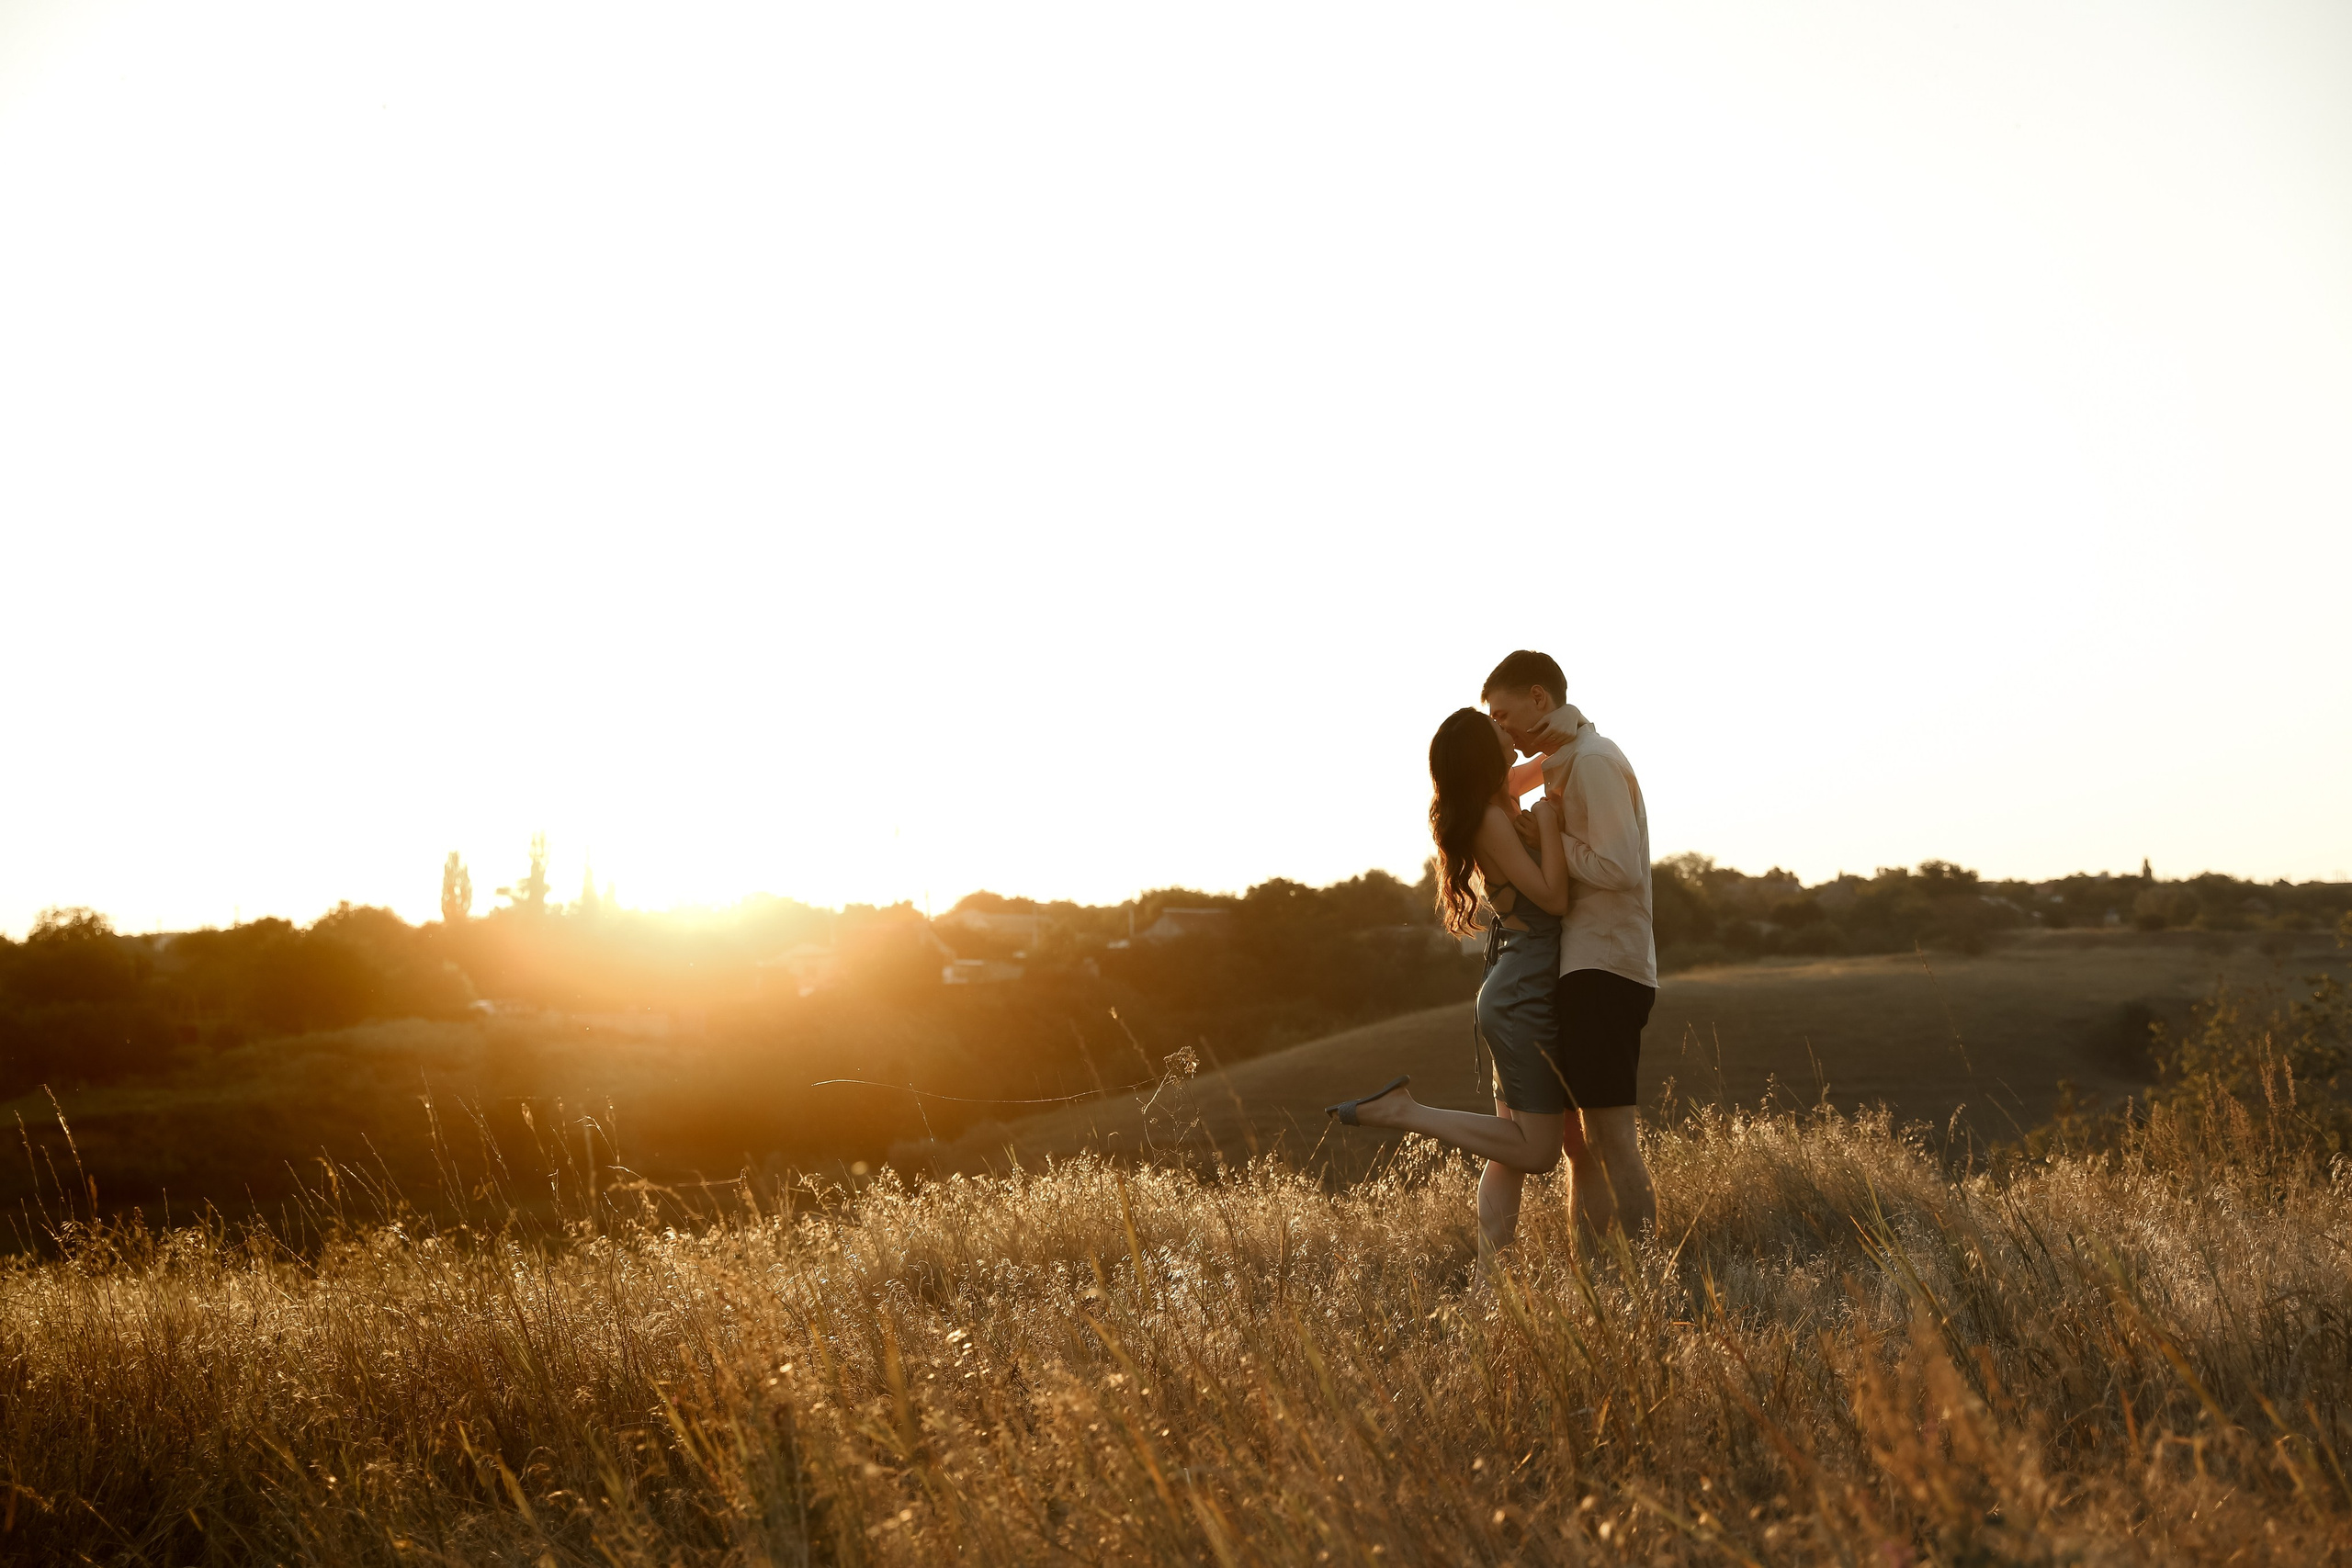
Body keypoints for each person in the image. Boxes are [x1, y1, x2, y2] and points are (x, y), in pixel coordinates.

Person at [1325, 706, 1577, 1254]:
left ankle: (1491, 1293)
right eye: (1498, 733)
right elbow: (1554, 899)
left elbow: (1550, 760)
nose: (1509, 735)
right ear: (1483, 758)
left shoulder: (1495, 799)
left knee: (1507, 1151)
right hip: (1523, 992)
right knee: (1536, 1152)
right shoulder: (1491, 817)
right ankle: (1405, 1111)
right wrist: (1552, 825)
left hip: (1514, 986)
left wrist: (1572, 731)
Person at [1482, 649, 1658, 1245]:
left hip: (1607, 966)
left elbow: (1621, 865)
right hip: (1582, 966)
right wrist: (1541, 745)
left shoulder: (1594, 763)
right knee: (1583, 1141)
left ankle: (1643, 1278)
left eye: (1503, 715)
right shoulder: (1567, 756)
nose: (1498, 729)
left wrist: (1549, 838)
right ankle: (1599, 1282)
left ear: (1538, 697)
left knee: (1611, 1137)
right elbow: (1494, 781)